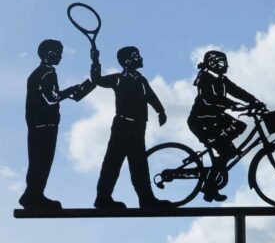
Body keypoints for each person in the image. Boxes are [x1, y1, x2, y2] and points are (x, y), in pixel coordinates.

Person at [90, 46, 170, 208]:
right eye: (136, 56)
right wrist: (95, 60)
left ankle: (146, 199)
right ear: (127, 61)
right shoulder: (119, 78)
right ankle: (103, 198)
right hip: (122, 125)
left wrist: (160, 110)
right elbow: (97, 80)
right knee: (113, 162)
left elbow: (150, 96)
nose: (140, 58)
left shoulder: (141, 79)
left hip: (139, 127)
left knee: (139, 164)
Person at [188, 50, 262, 202]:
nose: (226, 65)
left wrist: (254, 101)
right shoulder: (205, 78)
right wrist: (232, 105)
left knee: (239, 126)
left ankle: (219, 156)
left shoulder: (222, 79)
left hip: (215, 118)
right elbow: (210, 99)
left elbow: (237, 91)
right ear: (213, 63)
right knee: (228, 152)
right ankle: (210, 185)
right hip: (201, 120)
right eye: (222, 62)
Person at [19, 39, 82, 210]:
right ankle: (33, 195)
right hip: (44, 125)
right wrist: (70, 91)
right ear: (49, 54)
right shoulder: (47, 73)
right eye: (58, 53)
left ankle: (33, 194)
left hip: (39, 125)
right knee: (41, 161)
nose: (60, 56)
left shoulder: (40, 72)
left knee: (39, 162)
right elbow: (51, 98)